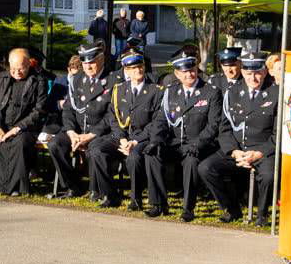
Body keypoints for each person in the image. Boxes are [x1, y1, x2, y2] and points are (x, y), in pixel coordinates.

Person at [199, 52, 279, 226]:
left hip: (262, 149)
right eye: (249, 73)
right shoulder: (233, 92)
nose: (253, 78)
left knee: (268, 175)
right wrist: (234, 152)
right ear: (242, 72)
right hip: (236, 149)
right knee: (206, 168)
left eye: (257, 73)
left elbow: (277, 133)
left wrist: (258, 153)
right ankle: (231, 208)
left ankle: (262, 215)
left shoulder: (276, 93)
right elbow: (224, 128)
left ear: (265, 72)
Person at [90, 50, 167, 214]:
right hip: (122, 137)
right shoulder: (119, 89)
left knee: (134, 157)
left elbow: (156, 122)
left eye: (140, 67)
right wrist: (122, 139)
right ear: (126, 70)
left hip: (142, 138)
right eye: (132, 68)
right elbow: (113, 117)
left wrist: (135, 141)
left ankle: (136, 198)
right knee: (96, 150)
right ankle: (110, 195)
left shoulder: (156, 90)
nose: (137, 71)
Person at [47, 41, 117, 199]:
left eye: (91, 62)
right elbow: (68, 109)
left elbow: (111, 116)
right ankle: (73, 186)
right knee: (55, 144)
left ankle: (97, 190)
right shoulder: (77, 78)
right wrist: (71, 132)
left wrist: (90, 135)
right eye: (85, 63)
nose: (87, 67)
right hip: (77, 130)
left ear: (101, 60)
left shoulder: (113, 80)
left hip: (100, 132)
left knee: (95, 149)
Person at [0, 48, 48, 196]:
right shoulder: (0, 78)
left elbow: (38, 111)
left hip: (25, 127)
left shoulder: (39, 81)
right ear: (9, 64)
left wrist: (17, 128)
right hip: (1, 124)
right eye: (13, 68)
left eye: (21, 68)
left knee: (18, 143)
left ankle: (14, 187)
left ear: (29, 64)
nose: (17, 72)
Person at [162, 52, 222, 222]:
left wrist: (197, 144)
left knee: (191, 161)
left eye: (192, 70)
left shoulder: (210, 92)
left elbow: (213, 125)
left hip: (199, 145)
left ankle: (188, 208)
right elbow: (161, 120)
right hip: (175, 143)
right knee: (151, 154)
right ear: (177, 74)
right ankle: (158, 203)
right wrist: (156, 140)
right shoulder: (171, 92)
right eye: (185, 71)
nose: (189, 74)